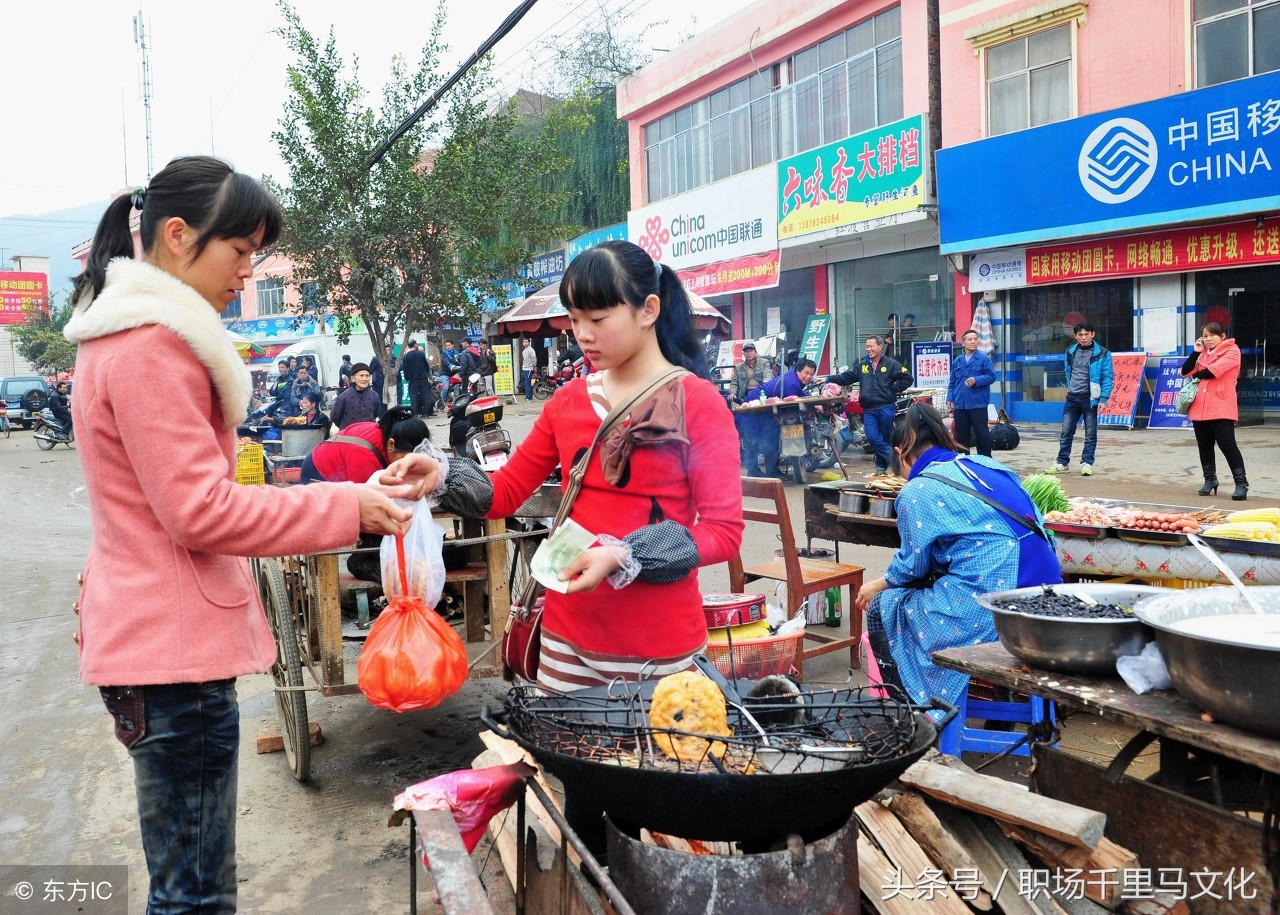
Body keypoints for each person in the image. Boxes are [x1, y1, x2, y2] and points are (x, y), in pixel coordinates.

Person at [62, 155, 436, 913]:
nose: (248, 271)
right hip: (172, 659)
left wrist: (355, 491)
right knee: (195, 896)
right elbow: (203, 510)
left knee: (188, 887)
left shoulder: (133, 337)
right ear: (177, 237)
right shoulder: (150, 348)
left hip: (161, 649)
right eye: (239, 251)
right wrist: (348, 508)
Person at [433, 239, 743, 694]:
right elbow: (502, 495)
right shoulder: (568, 400)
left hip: (659, 653)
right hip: (565, 643)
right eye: (575, 320)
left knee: (655, 763)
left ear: (648, 309)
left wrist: (623, 554)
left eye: (598, 319)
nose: (583, 334)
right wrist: (439, 473)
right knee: (567, 763)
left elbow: (723, 531)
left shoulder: (698, 404)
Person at [855, 404, 1061, 708]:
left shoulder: (919, 489)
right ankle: (1000, 699)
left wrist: (878, 584)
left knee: (884, 607)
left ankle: (913, 711)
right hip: (1048, 590)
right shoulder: (988, 466)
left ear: (901, 452)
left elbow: (912, 567)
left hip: (1001, 604)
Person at [303, 406, 430, 581]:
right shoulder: (363, 457)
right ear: (391, 444)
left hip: (339, 464)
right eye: (405, 460)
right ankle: (360, 561)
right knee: (371, 520)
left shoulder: (389, 432)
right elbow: (368, 505)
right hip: (317, 474)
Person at [825, 335, 912, 474]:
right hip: (869, 409)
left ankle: (880, 467)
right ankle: (897, 460)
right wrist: (827, 378)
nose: (868, 349)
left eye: (871, 346)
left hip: (886, 407)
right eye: (867, 347)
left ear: (880, 346)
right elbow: (846, 377)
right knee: (872, 437)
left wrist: (892, 390)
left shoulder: (891, 364)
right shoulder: (862, 366)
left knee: (885, 437)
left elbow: (908, 378)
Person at [1181, 321, 1248, 500]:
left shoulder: (1232, 351)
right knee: (1204, 445)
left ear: (1223, 336)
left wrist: (1196, 374)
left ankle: (1241, 483)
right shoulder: (1202, 353)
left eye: (1212, 335)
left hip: (1221, 406)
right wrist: (1195, 352)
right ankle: (1210, 480)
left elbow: (1212, 371)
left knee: (1228, 445)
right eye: (1205, 336)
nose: (1208, 339)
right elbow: (1185, 371)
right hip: (1199, 407)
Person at [1047, 322, 1113, 476]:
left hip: (1090, 399)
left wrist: (1103, 399)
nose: (1084, 337)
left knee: (1090, 434)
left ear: (1092, 334)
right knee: (1066, 431)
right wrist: (1070, 388)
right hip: (1072, 399)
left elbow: (1107, 377)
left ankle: (1087, 463)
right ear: (1076, 336)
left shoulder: (1103, 353)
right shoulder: (1070, 351)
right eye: (1080, 335)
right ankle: (1062, 462)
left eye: (1086, 334)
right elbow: (1067, 370)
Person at [743, 356, 818, 480]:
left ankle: (766, 472)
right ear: (798, 371)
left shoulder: (794, 379)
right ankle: (763, 473)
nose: (809, 376)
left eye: (811, 374)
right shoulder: (792, 383)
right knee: (759, 442)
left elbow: (799, 394)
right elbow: (793, 398)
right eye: (806, 373)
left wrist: (812, 399)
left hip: (766, 412)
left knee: (767, 440)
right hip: (753, 409)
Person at [947, 329, 997, 458]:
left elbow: (992, 376)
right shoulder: (958, 361)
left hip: (977, 404)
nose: (973, 342)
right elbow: (952, 381)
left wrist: (977, 379)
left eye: (975, 339)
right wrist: (950, 398)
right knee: (961, 436)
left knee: (982, 435)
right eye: (970, 339)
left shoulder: (984, 359)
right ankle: (963, 461)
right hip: (960, 404)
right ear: (963, 343)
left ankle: (985, 461)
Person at [329, 362, 382, 428]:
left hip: (368, 433)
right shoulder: (343, 397)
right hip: (349, 435)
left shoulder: (374, 396)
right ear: (353, 379)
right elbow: (335, 416)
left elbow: (376, 414)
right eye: (361, 376)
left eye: (367, 376)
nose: (365, 379)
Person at [401, 338, 433, 417]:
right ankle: (426, 413)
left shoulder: (406, 356)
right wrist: (427, 376)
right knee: (425, 396)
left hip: (412, 380)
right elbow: (426, 366)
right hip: (423, 379)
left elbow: (405, 369)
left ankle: (415, 414)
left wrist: (407, 378)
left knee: (413, 397)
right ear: (415, 344)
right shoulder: (421, 354)